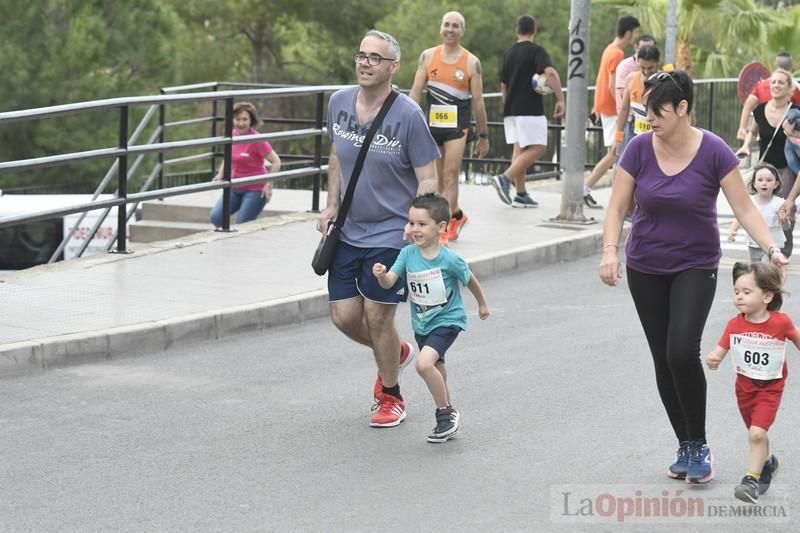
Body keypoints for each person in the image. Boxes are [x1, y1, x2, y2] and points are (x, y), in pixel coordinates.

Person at [598, 70, 789, 485]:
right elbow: (616, 208)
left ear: (683, 108)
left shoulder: (714, 151)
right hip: (645, 266)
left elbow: (745, 209)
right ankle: (684, 442)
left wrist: (773, 250)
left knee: (681, 350)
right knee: (662, 358)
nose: (651, 121)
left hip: (695, 265)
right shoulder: (638, 149)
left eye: (658, 112)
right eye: (647, 113)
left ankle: (699, 443)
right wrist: (610, 250)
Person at [317, 30, 440, 428]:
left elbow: (428, 177)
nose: (365, 62)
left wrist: (417, 225)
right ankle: (397, 353)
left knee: (376, 316)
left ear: (393, 67)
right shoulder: (338, 103)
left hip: (391, 232)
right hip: (349, 229)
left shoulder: (408, 115)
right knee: (343, 316)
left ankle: (391, 396)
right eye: (361, 55)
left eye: (375, 58)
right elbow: (336, 155)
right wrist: (332, 204)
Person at [372, 193, 489, 443]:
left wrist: (482, 304)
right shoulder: (407, 255)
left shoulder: (450, 259)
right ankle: (448, 412)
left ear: (441, 227)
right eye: (411, 223)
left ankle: (445, 413)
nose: (415, 229)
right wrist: (381, 275)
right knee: (437, 367)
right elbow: (389, 282)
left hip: (448, 321)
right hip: (422, 323)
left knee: (423, 364)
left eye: (422, 224)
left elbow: (470, 280)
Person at [705, 262, 799, 503]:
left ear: (767, 295)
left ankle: (750, 481)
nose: (739, 296)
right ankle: (768, 461)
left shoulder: (781, 322)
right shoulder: (735, 324)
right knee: (756, 432)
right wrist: (715, 357)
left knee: (757, 434)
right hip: (744, 391)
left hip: (770, 389)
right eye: (737, 291)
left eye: (747, 292)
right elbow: (721, 348)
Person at [409, 11, 490, 244]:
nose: (450, 29)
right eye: (447, 25)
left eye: (456, 26)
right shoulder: (427, 57)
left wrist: (483, 135)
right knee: (437, 180)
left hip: (458, 126)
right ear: (441, 28)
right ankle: (456, 215)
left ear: (462, 31)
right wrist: (406, 121)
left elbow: (478, 101)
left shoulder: (472, 63)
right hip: (432, 125)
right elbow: (415, 91)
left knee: (451, 175)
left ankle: (442, 230)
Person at [490, 15, 564, 208]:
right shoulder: (537, 51)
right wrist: (560, 98)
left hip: (512, 109)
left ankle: (521, 194)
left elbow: (503, 84)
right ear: (535, 30)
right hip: (530, 108)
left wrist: (508, 105)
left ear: (517, 30)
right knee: (539, 147)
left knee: (520, 149)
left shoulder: (509, 53)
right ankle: (505, 179)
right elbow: (550, 73)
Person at [737, 68, 800, 257]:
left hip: (787, 169)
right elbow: (753, 132)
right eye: (773, 82)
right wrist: (746, 145)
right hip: (765, 170)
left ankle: (783, 252)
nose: (776, 86)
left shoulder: (795, 114)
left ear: (789, 88)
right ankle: (762, 248)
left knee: (783, 210)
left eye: (781, 82)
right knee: (760, 207)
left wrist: (793, 132)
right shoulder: (760, 110)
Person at [583, 15, 640, 209]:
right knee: (614, 154)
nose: (636, 38)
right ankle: (586, 188)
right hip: (611, 109)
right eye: (636, 33)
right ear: (629, 33)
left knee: (613, 154)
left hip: (604, 107)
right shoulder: (617, 54)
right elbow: (612, 84)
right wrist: (622, 107)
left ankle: (587, 188)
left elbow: (600, 79)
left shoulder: (609, 49)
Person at [210, 102, 281, 228]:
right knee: (217, 218)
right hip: (235, 187)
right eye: (238, 119)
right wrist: (220, 175)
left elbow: (276, 161)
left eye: (245, 119)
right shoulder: (231, 135)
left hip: (255, 189)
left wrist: (268, 185)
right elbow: (228, 158)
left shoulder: (257, 140)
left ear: (251, 121)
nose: (241, 123)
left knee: (242, 225)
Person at [727, 163, 790, 263]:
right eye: (760, 180)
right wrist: (733, 230)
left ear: (776, 184)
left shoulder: (779, 203)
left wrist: (785, 220)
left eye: (769, 180)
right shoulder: (749, 201)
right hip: (754, 241)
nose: (764, 183)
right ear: (754, 184)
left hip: (773, 244)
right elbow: (741, 216)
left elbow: (786, 227)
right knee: (756, 268)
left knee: (768, 269)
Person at [737, 51, 800, 141]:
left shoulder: (761, 85)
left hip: (763, 135)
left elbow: (748, 104)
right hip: (788, 139)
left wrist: (742, 128)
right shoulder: (794, 87)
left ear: (776, 65)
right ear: (791, 66)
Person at [612, 44, 660, 158]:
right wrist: (618, 138)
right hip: (637, 135)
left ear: (658, 62)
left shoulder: (664, 81)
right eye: (643, 67)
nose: (646, 72)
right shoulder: (631, 79)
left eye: (651, 68)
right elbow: (624, 110)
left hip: (659, 139)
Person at [614, 34, 656, 112]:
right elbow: (622, 94)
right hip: (630, 116)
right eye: (643, 48)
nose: (647, 51)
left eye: (651, 48)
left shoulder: (656, 69)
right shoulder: (625, 66)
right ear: (636, 48)